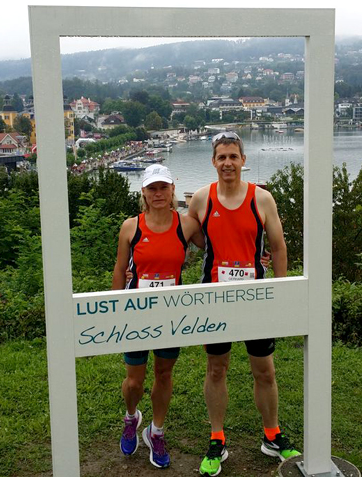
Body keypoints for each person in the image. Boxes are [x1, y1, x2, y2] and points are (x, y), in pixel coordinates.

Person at [187, 131, 300, 476]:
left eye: (233, 156)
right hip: (215, 297)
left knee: (264, 369)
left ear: (243, 160)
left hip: (255, 297)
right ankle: (217, 438)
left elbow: (278, 247)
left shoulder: (262, 199)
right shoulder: (202, 199)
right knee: (216, 368)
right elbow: (189, 235)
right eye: (221, 157)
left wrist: (280, 291)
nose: (227, 163)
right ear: (213, 162)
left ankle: (272, 435)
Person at [112, 164, 202, 469]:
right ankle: (131, 417)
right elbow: (118, 269)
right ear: (144, 193)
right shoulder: (131, 226)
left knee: (164, 375)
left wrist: (259, 257)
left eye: (164, 187)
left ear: (173, 189)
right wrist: (114, 308)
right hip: (136, 313)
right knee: (134, 382)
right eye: (152, 188)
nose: (158, 194)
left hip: (171, 313)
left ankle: (156, 432)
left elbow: (218, 243)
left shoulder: (186, 225)